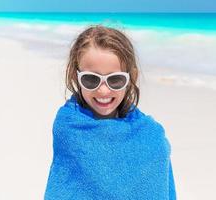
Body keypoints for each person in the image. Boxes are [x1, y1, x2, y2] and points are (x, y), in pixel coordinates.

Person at [44, 25, 176, 200]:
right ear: (77, 77)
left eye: (116, 80)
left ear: (131, 79)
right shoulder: (69, 128)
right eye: (91, 79)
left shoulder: (151, 136)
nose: (103, 91)